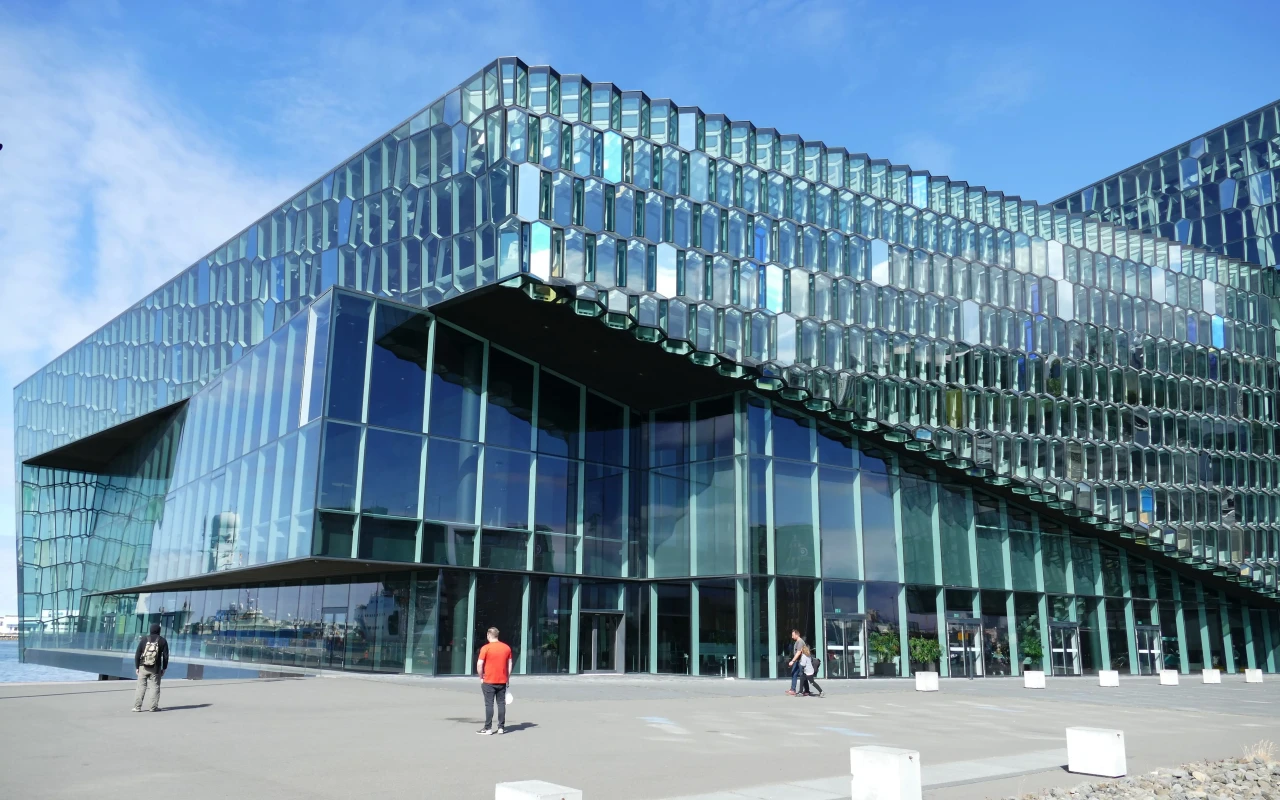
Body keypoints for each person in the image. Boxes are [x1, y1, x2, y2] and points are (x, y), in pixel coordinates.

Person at [476, 627, 513, 735]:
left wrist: (481, 677)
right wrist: (507, 678)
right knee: (501, 704)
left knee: (489, 704)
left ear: (488, 635)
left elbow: (479, 664)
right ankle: (501, 727)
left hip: (488, 680)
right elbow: (509, 664)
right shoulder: (506, 648)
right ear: (497, 635)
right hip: (502, 680)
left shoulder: (485, 648)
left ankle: (488, 728)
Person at [132, 623, 169, 712]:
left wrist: (137, 667)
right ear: (159, 631)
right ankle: (153, 707)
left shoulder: (144, 639)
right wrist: (164, 668)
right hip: (155, 668)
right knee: (155, 687)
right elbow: (166, 656)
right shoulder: (162, 641)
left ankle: (137, 707)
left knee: (141, 687)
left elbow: (137, 654)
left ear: (150, 630)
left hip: (143, 667)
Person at [786, 628, 806, 696]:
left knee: (800, 675)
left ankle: (795, 690)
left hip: (800, 661)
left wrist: (792, 661)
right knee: (797, 674)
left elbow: (798, 652)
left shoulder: (800, 642)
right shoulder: (797, 641)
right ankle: (793, 689)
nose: (792, 637)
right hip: (798, 661)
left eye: (793, 635)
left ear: (797, 635)